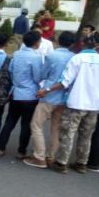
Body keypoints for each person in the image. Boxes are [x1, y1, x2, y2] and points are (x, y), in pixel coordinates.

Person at [39, 33, 99, 174]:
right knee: (86, 135)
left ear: (83, 42)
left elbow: (64, 81)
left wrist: (47, 89)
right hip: (94, 105)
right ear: (98, 45)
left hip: (76, 102)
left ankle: (62, 163)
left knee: (68, 133)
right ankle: (81, 164)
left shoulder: (77, 58)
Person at [23, 32, 77, 168]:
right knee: (56, 128)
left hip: (49, 95)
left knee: (36, 125)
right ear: (72, 44)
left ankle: (39, 156)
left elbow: (43, 74)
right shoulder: (74, 58)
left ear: (58, 41)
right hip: (65, 97)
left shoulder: (52, 56)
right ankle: (51, 156)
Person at [0, 31, 43, 158]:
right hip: (30, 95)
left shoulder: (16, 54)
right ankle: (21, 151)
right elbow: (38, 77)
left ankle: (1, 147)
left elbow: (10, 71)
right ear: (36, 42)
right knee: (26, 124)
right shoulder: (36, 57)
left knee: (10, 121)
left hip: (15, 93)